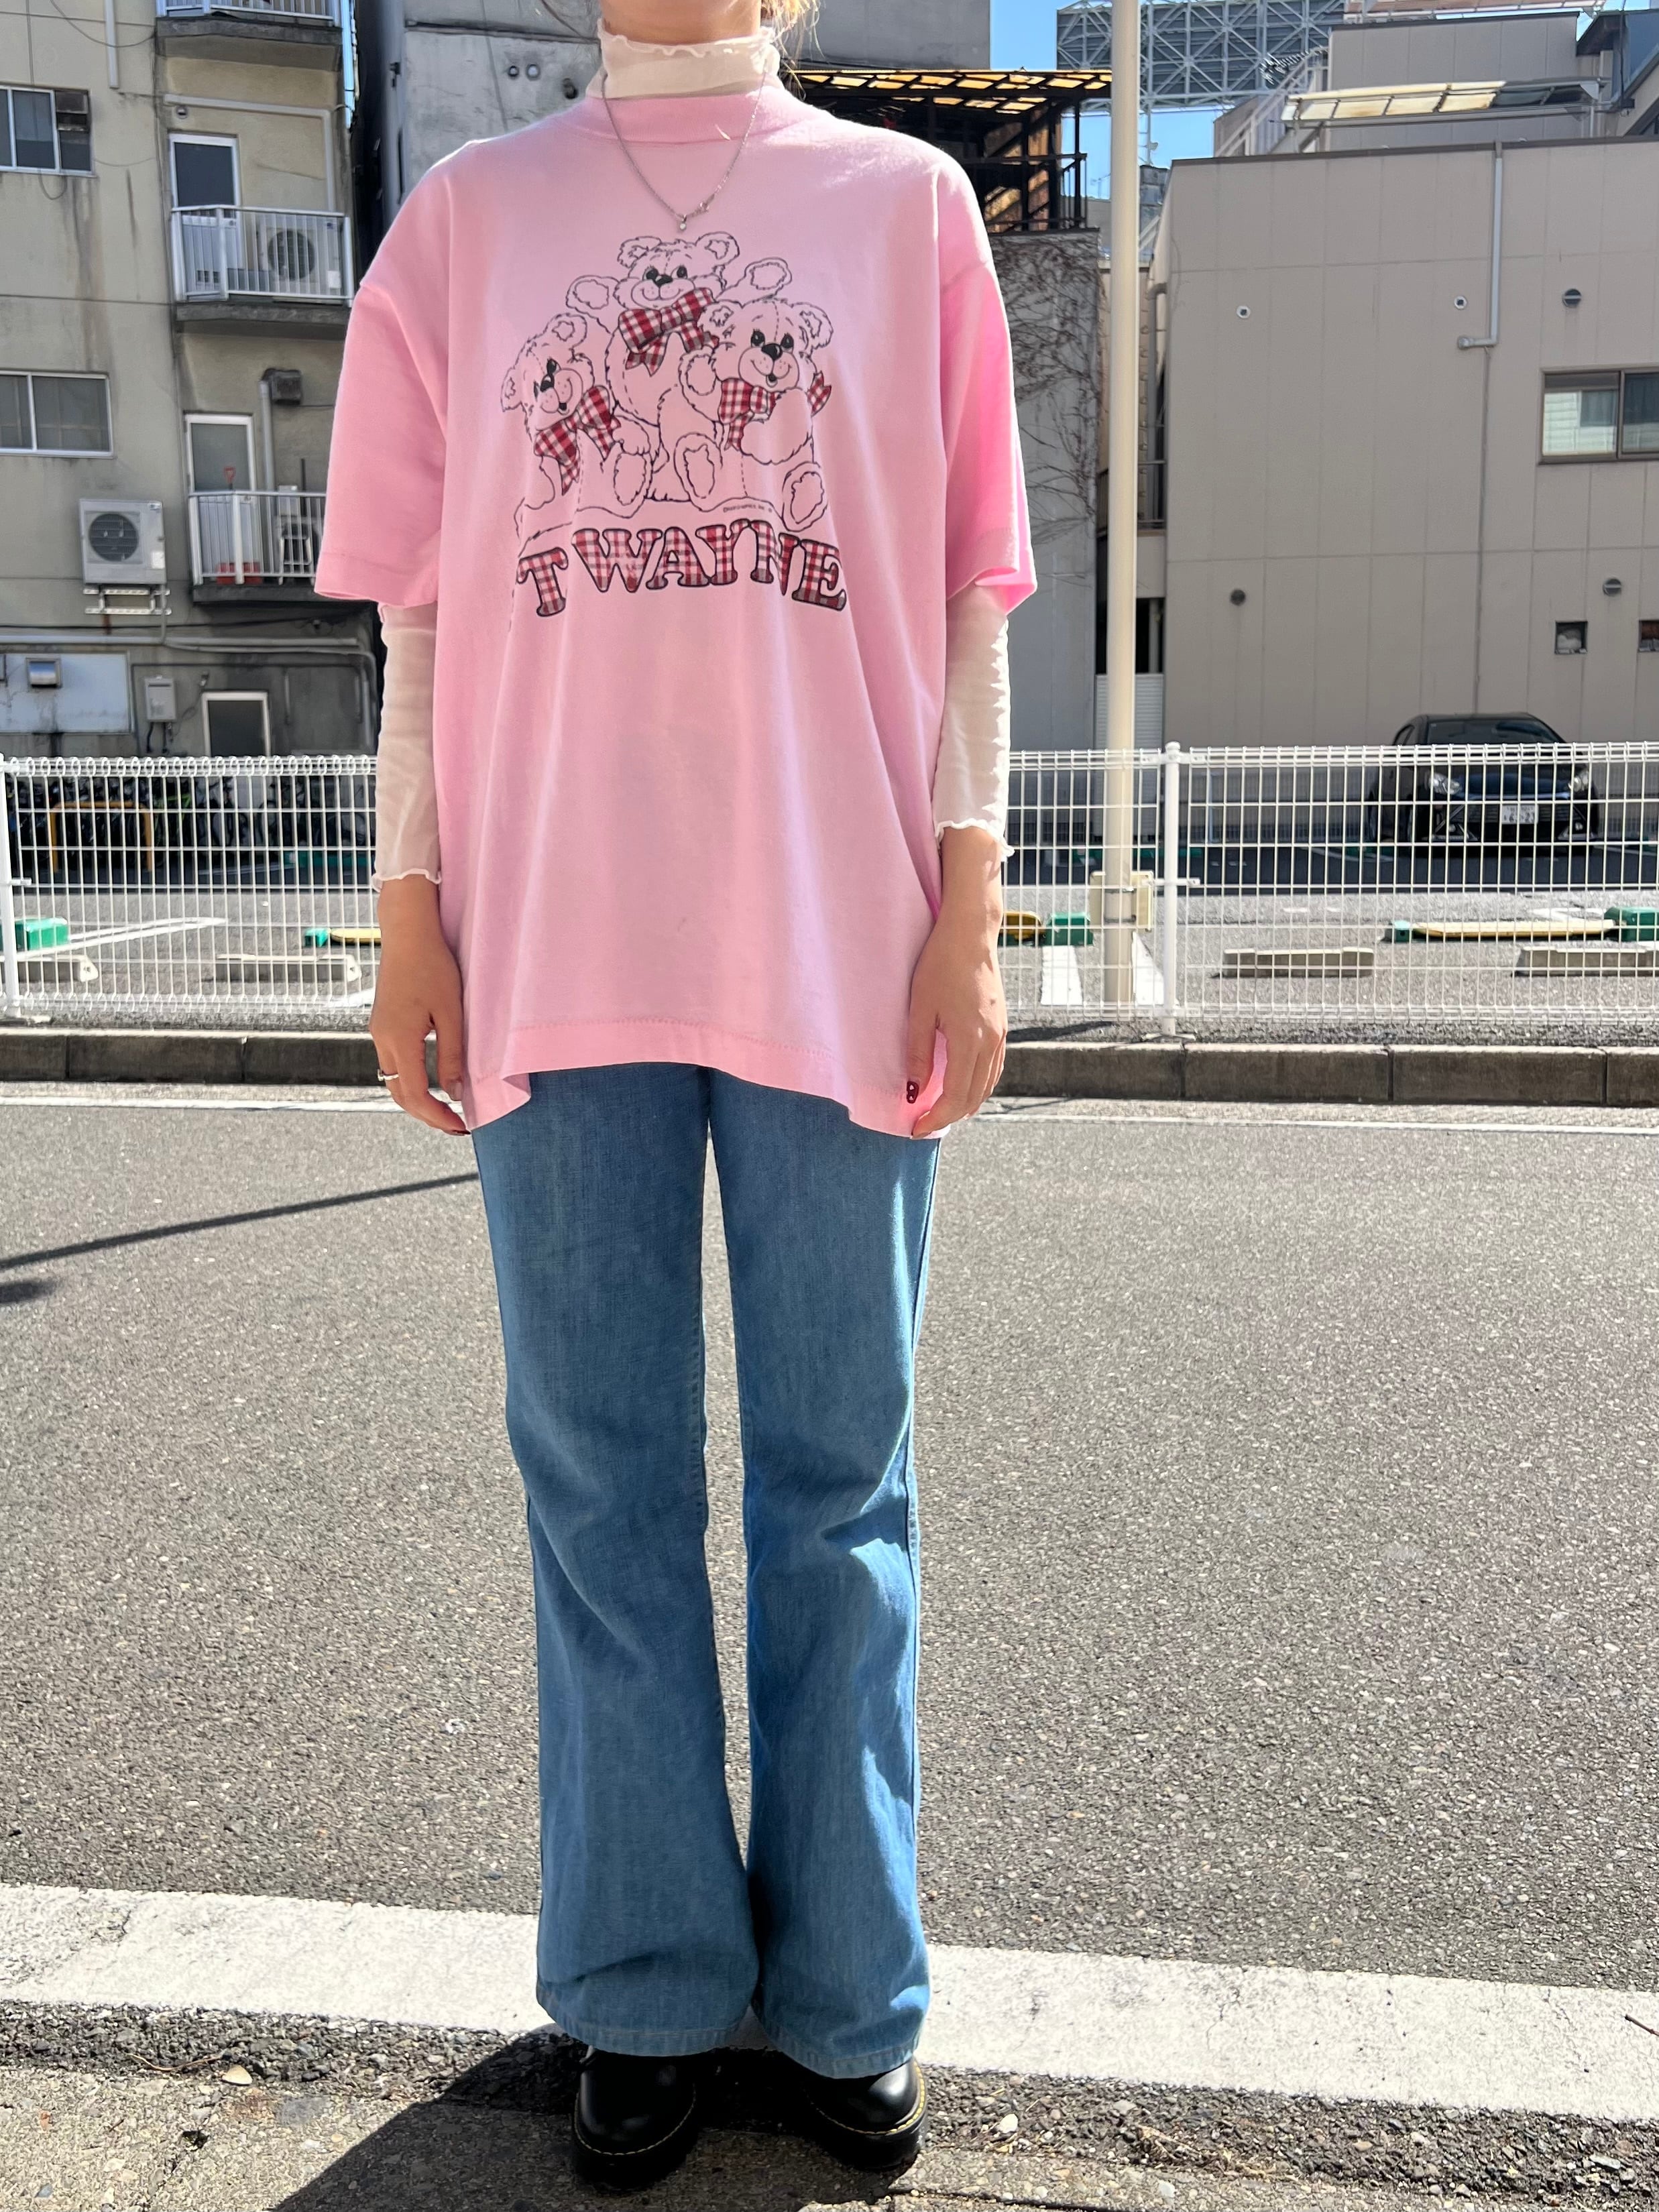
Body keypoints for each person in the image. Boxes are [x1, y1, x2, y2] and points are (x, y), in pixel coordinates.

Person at [314, 0, 1035, 2189]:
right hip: (551, 927)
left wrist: (972, 900)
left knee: (842, 1486)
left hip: (842, 926)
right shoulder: (465, 224)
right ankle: (637, 1977)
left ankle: (847, 1989)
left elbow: (966, 596)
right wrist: (409, 905)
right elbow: (423, 621)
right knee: (599, 1484)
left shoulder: (909, 211)